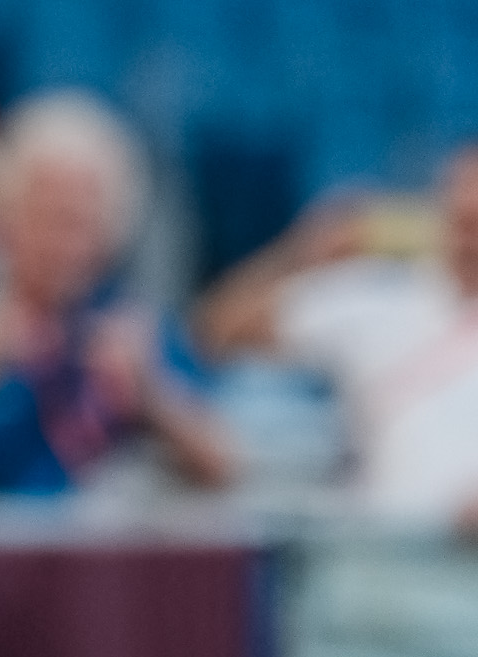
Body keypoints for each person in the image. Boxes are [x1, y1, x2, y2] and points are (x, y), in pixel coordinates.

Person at [0, 91, 233, 495]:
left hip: (99, 533)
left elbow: (224, 464)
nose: (64, 245)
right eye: (47, 219)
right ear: (5, 217)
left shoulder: (135, 328)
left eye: (81, 223)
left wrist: (150, 393)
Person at [194, 145, 478, 521]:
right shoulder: (383, 296)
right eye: (463, 220)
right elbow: (218, 329)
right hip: (392, 546)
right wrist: (306, 249)